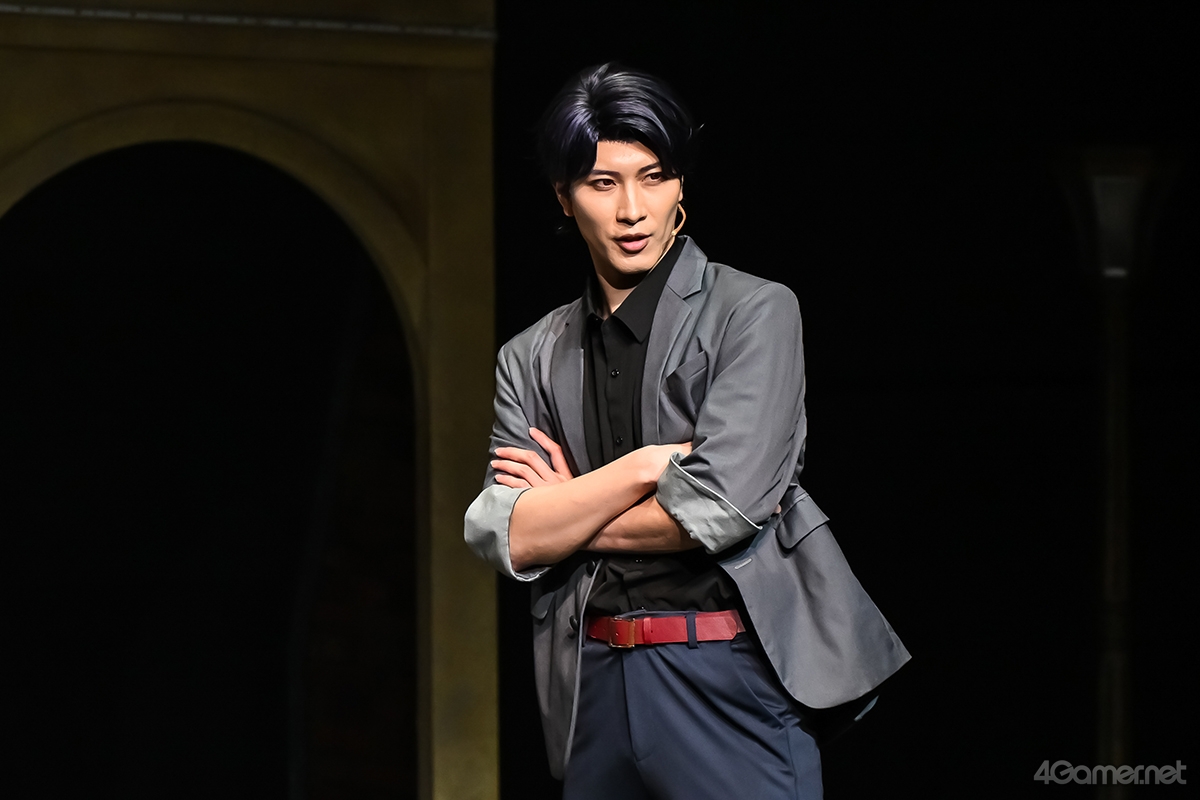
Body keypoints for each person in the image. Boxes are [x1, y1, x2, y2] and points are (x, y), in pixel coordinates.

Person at [465, 63, 909, 799]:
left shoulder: (753, 312)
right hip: (592, 685)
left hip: (725, 674)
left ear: (679, 187)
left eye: (654, 177)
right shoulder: (530, 355)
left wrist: (564, 514)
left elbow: (719, 508)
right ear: (564, 197)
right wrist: (641, 468)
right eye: (603, 183)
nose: (632, 209)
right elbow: (499, 534)